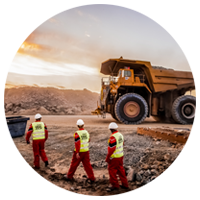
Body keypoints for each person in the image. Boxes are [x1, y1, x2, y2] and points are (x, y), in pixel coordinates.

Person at [64, 119, 95, 183]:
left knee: (74, 164)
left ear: (77, 125)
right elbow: (89, 140)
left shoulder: (77, 133)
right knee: (87, 165)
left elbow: (77, 143)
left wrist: (77, 152)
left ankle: (69, 176)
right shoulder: (86, 132)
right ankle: (92, 178)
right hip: (86, 151)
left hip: (79, 151)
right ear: (83, 125)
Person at [105, 122, 129, 192]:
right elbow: (123, 144)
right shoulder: (120, 135)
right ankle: (125, 184)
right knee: (121, 170)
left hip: (114, 157)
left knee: (112, 171)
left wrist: (108, 157)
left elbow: (111, 149)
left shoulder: (113, 137)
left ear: (110, 129)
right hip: (121, 156)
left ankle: (115, 185)